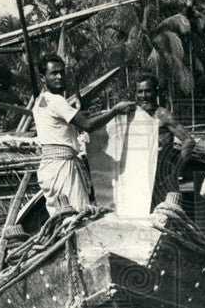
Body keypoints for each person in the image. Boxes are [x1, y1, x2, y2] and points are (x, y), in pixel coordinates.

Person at [32, 53, 135, 214]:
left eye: (62, 72)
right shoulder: (57, 101)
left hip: (50, 167)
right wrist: (115, 111)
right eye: (54, 73)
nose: (59, 77)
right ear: (43, 78)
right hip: (63, 167)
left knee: (62, 216)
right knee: (78, 214)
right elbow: (88, 125)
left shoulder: (39, 101)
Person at [134, 73, 196, 209]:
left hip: (161, 179)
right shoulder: (134, 116)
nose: (143, 95)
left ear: (156, 92)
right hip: (139, 178)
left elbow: (188, 141)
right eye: (140, 91)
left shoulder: (163, 115)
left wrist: (175, 173)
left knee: (163, 215)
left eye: (148, 91)